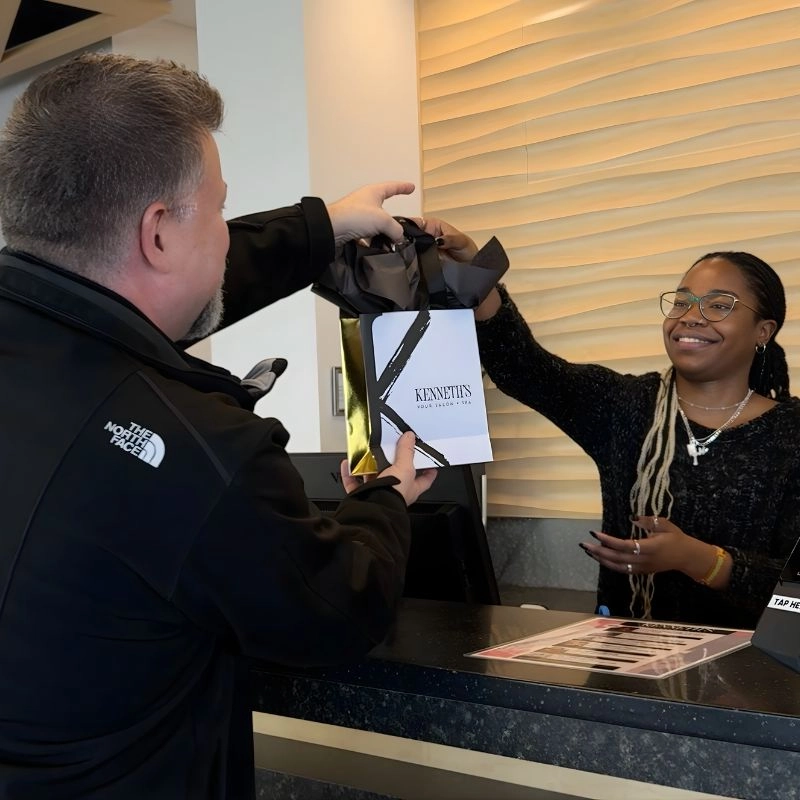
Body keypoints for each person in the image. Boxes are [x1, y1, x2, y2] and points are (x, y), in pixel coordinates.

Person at [0, 53, 436, 799]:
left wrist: (320, 227)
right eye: (220, 213)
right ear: (160, 232)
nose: (229, 238)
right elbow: (332, 611)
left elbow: (135, 301)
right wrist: (384, 501)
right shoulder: (202, 452)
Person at [423, 220, 800, 628]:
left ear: (763, 330)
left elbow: (794, 589)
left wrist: (700, 560)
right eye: (681, 302)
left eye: (718, 305)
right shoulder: (627, 406)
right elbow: (524, 367)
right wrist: (475, 274)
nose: (691, 317)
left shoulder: (791, 435)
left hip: (751, 679)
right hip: (625, 663)